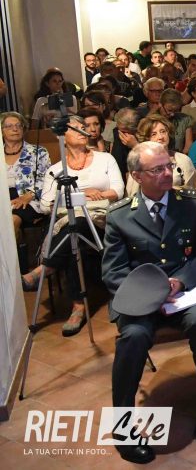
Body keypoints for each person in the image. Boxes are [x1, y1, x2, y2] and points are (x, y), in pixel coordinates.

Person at [102, 142, 196, 463]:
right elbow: (113, 273)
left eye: (169, 166)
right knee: (133, 336)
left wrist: (180, 281)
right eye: (157, 169)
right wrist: (152, 292)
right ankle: (123, 426)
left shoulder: (192, 204)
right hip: (141, 299)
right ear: (136, 176)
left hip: (183, 293)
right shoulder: (120, 216)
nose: (168, 173)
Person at [22, 115, 125, 336]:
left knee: (77, 225)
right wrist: (82, 195)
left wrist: (84, 196)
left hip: (101, 220)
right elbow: (46, 205)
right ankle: (78, 307)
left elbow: (118, 191)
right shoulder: (56, 169)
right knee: (74, 231)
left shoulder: (105, 159)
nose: (83, 131)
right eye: (75, 128)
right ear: (62, 136)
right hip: (67, 221)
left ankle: (45, 270)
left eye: (83, 127)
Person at [2, 111, 51, 238]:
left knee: (11, 221)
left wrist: (30, 195)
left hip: (29, 198)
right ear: (1, 130)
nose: (15, 129)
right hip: (3, 197)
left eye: (19, 125)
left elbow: (47, 179)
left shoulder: (38, 152)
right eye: (9, 126)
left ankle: (12, 251)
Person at [126, 114, 196, 197]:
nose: (160, 137)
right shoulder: (139, 162)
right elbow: (132, 194)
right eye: (154, 134)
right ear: (146, 138)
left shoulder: (183, 160)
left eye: (163, 131)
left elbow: (193, 193)